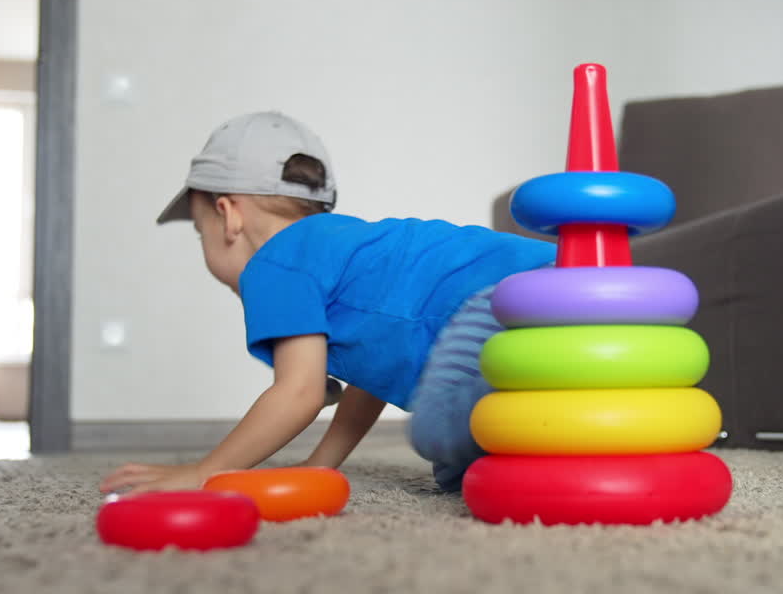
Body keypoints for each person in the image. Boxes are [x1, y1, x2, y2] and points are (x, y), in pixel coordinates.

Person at [98, 111, 553, 494]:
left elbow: (300, 392)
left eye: (201, 234)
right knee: (462, 471)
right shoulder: (338, 247)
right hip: (563, 281)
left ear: (228, 215)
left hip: (509, 305)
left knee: (437, 431)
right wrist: (322, 463)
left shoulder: (274, 264)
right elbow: (374, 367)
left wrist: (205, 473)